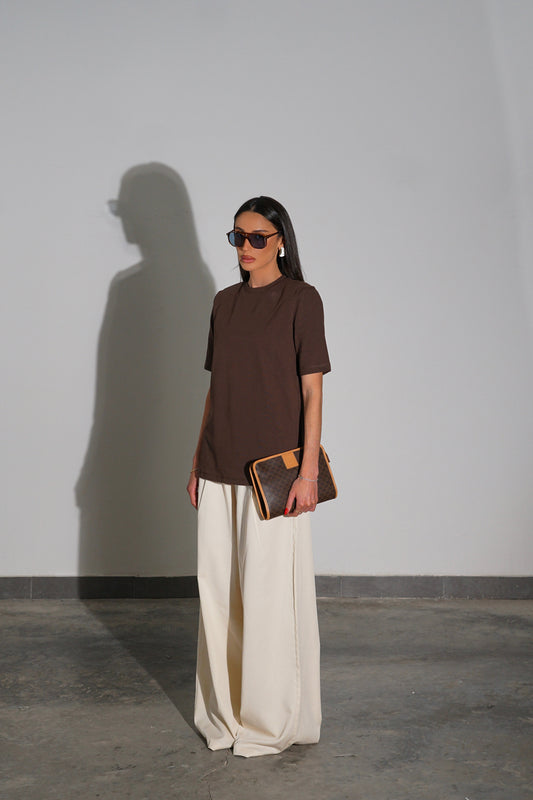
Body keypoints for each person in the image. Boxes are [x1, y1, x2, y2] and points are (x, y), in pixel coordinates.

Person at [186, 196, 331, 758]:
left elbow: (312, 391)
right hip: (219, 465)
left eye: (257, 238)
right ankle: (225, 716)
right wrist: (196, 461)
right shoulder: (223, 303)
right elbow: (216, 387)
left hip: (273, 474)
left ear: (280, 241)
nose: (245, 248)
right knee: (219, 600)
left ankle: (270, 721)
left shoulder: (301, 300)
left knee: (270, 602)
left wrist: (308, 473)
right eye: (237, 237)